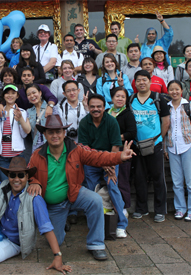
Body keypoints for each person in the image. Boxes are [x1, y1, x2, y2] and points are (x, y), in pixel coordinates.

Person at [28, 114, 136, 260]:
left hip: (74, 193)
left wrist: (119, 157)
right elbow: (27, 174)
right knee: (55, 241)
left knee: (95, 200)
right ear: (45, 134)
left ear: (64, 132)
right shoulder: (37, 155)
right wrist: (34, 180)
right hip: (54, 205)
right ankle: (62, 223)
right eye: (51, 132)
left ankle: (96, 244)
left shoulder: (75, 149)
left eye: (58, 131)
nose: (55, 135)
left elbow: (97, 157)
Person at [78, 94, 128, 238]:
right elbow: (85, 147)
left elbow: (115, 146)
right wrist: (100, 161)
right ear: (88, 107)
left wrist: (108, 164)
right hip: (92, 161)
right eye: (92, 106)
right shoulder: (84, 122)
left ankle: (121, 224)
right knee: (91, 190)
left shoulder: (111, 121)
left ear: (104, 107)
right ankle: (95, 222)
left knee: (112, 185)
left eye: (99, 106)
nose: (96, 109)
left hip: (110, 159)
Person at [131, 70, 170, 222]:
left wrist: (159, 139)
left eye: (144, 80)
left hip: (155, 144)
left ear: (150, 81)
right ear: (135, 83)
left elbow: (166, 121)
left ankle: (160, 210)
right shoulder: (131, 99)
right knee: (139, 178)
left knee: (158, 177)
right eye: (138, 80)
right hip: (136, 145)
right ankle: (142, 208)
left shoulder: (158, 99)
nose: (141, 83)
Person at [164, 80, 191, 222]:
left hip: (188, 145)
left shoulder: (188, 105)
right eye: (171, 90)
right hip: (173, 147)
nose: (174, 92)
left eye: (177, 89)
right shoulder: (167, 107)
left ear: (181, 90)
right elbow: (166, 129)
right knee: (177, 182)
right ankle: (180, 208)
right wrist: (166, 148)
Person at [107, 87, 137, 219]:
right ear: (112, 98)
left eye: (123, 97)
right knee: (111, 179)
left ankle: (124, 207)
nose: (120, 99)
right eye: (117, 96)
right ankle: (113, 205)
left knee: (122, 180)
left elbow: (131, 133)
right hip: (108, 151)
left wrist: (115, 138)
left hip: (123, 151)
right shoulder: (107, 112)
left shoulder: (128, 113)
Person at [0, 84, 31, 181]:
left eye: (13, 93)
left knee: (18, 184)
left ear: (17, 95)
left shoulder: (22, 111)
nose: (10, 95)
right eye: (7, 93)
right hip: (3, 156)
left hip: (18, 154)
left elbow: (26, 132)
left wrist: (20, 119)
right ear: (3, 95)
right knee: (5, 185)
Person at [26, 84, 50, 152]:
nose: (32, 96)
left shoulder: (51, 107)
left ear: (40, 93)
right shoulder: (28, 111)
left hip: (51, 145)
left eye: (34, 92)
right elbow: (28, 130)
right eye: (28, 94)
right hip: (36, 147)